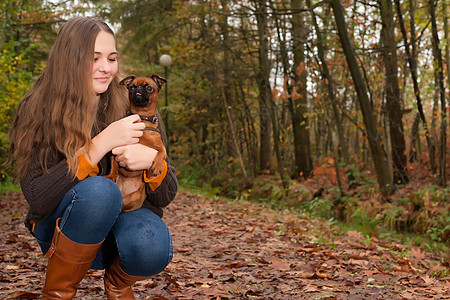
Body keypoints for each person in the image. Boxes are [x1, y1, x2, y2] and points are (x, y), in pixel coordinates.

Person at [7, 16, 177, 299]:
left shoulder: (130, 103)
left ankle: (118, 285)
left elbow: (166, 196)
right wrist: (100, 144)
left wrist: (150, 162)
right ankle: (58, 293)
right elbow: (37, 196)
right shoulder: (40, 107)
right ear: (69, 59)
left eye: (112, 58)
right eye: (93, 57)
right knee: (101, 190)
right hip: (65, 228)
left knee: (153, 245)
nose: (105, 68)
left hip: (119, 224)